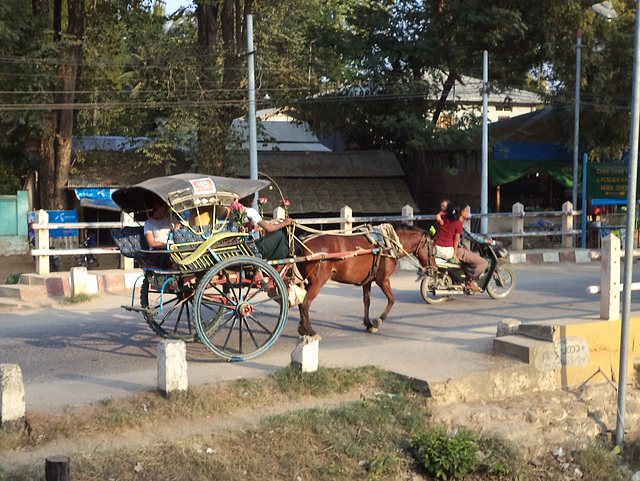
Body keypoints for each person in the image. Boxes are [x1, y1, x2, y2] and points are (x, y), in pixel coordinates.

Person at [435, 201, 488, 293]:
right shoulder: (458, 223)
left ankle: (466, 277)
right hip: (455, 250)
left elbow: (439, 221)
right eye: (466, 211)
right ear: (461, 212)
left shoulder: (442, 218)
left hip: (437, 248)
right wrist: (486, 241)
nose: (467, 213)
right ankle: (472, 283)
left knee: (470, 254)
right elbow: (467, 237)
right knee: (483, 262)